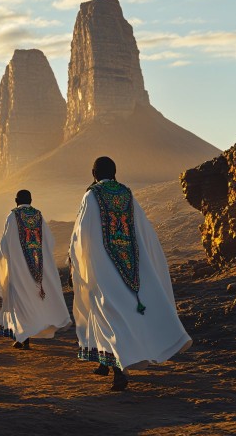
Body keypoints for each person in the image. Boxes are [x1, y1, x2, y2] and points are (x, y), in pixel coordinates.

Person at [69, 156, 192, 391]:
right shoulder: (127, 194)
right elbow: (143, 230)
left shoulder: (91, 195)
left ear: (94, 173)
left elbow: (81, 233)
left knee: (107, 313)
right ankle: (104, 363)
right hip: (131, 266)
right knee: (117, 311)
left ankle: (118, 370)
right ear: (114, 172)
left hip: (103, 266)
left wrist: (75, 259)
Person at [0, 190, 72, 350]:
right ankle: (26, 334)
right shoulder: (38, 216)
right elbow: (49, 241)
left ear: (16, 201)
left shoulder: (12, 216)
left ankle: (23, 336)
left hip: (19, 269)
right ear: (31, 200)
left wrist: (4, 262)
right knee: (33, 299)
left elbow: (4, 245)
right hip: (38, 268)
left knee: (21, 302)